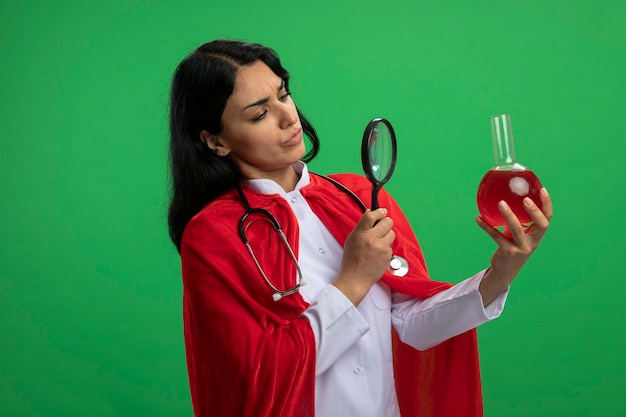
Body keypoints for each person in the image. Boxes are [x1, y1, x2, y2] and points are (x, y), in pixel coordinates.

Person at [167, 39, 552, 417]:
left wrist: (500, 274)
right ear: (215, 141)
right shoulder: (213, 235)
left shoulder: (355, 195)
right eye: (259, 114)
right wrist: (352, 281)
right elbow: (257, 380)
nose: (289, 117)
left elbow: (409, 324)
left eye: (283, 95)